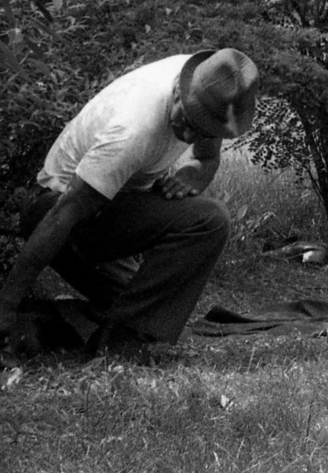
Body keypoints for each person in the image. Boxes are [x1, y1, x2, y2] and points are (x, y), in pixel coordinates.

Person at [0, 49, 257, 354]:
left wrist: (191, 175)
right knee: (209, 219)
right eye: (187, 121)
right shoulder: (133, 129)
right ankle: (124, 346)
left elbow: (205, 158)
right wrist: (6, 302)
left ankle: (96, 329)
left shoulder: (211, 88)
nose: (189, 136)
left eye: (201, 130)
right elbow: (62, 216)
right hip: (58, 212)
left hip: (115, 206)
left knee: (150, 301)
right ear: (179, 90)